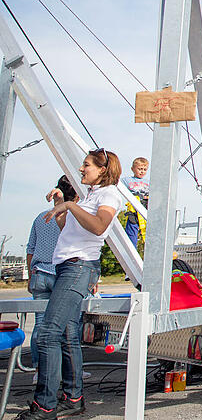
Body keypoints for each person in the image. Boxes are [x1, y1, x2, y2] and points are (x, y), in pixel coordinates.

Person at [17, 148, 124, 420]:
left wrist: (71, 205)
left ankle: (44, 406)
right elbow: (69, 229)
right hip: (68, 265)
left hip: (79, 268)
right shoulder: (90, 196)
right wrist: (63, 202)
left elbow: (100, 227)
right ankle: (73, 398)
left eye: (86, 165)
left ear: (103, 169)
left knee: (49, 333)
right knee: (65, 336)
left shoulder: (108, 194)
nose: (81, 169)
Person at [25, 177, 78, 374]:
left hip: (39, 272)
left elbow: (30, 249)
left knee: (40, 324)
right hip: (60, 273)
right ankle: (67, 370)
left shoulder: (40, 217)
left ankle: (39, 368)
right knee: (66, 324)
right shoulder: (68, 217)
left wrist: (31, 275)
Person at [118, 156, 149, 249]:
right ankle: (131, 248)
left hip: (145, 208)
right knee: (132, 230)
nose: (142, 171)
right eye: (140, 169)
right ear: (133, 169)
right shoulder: (127, 180)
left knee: (147, 231)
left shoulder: (148, 182)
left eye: (144, 169)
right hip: (134, 210)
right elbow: (116, 183)